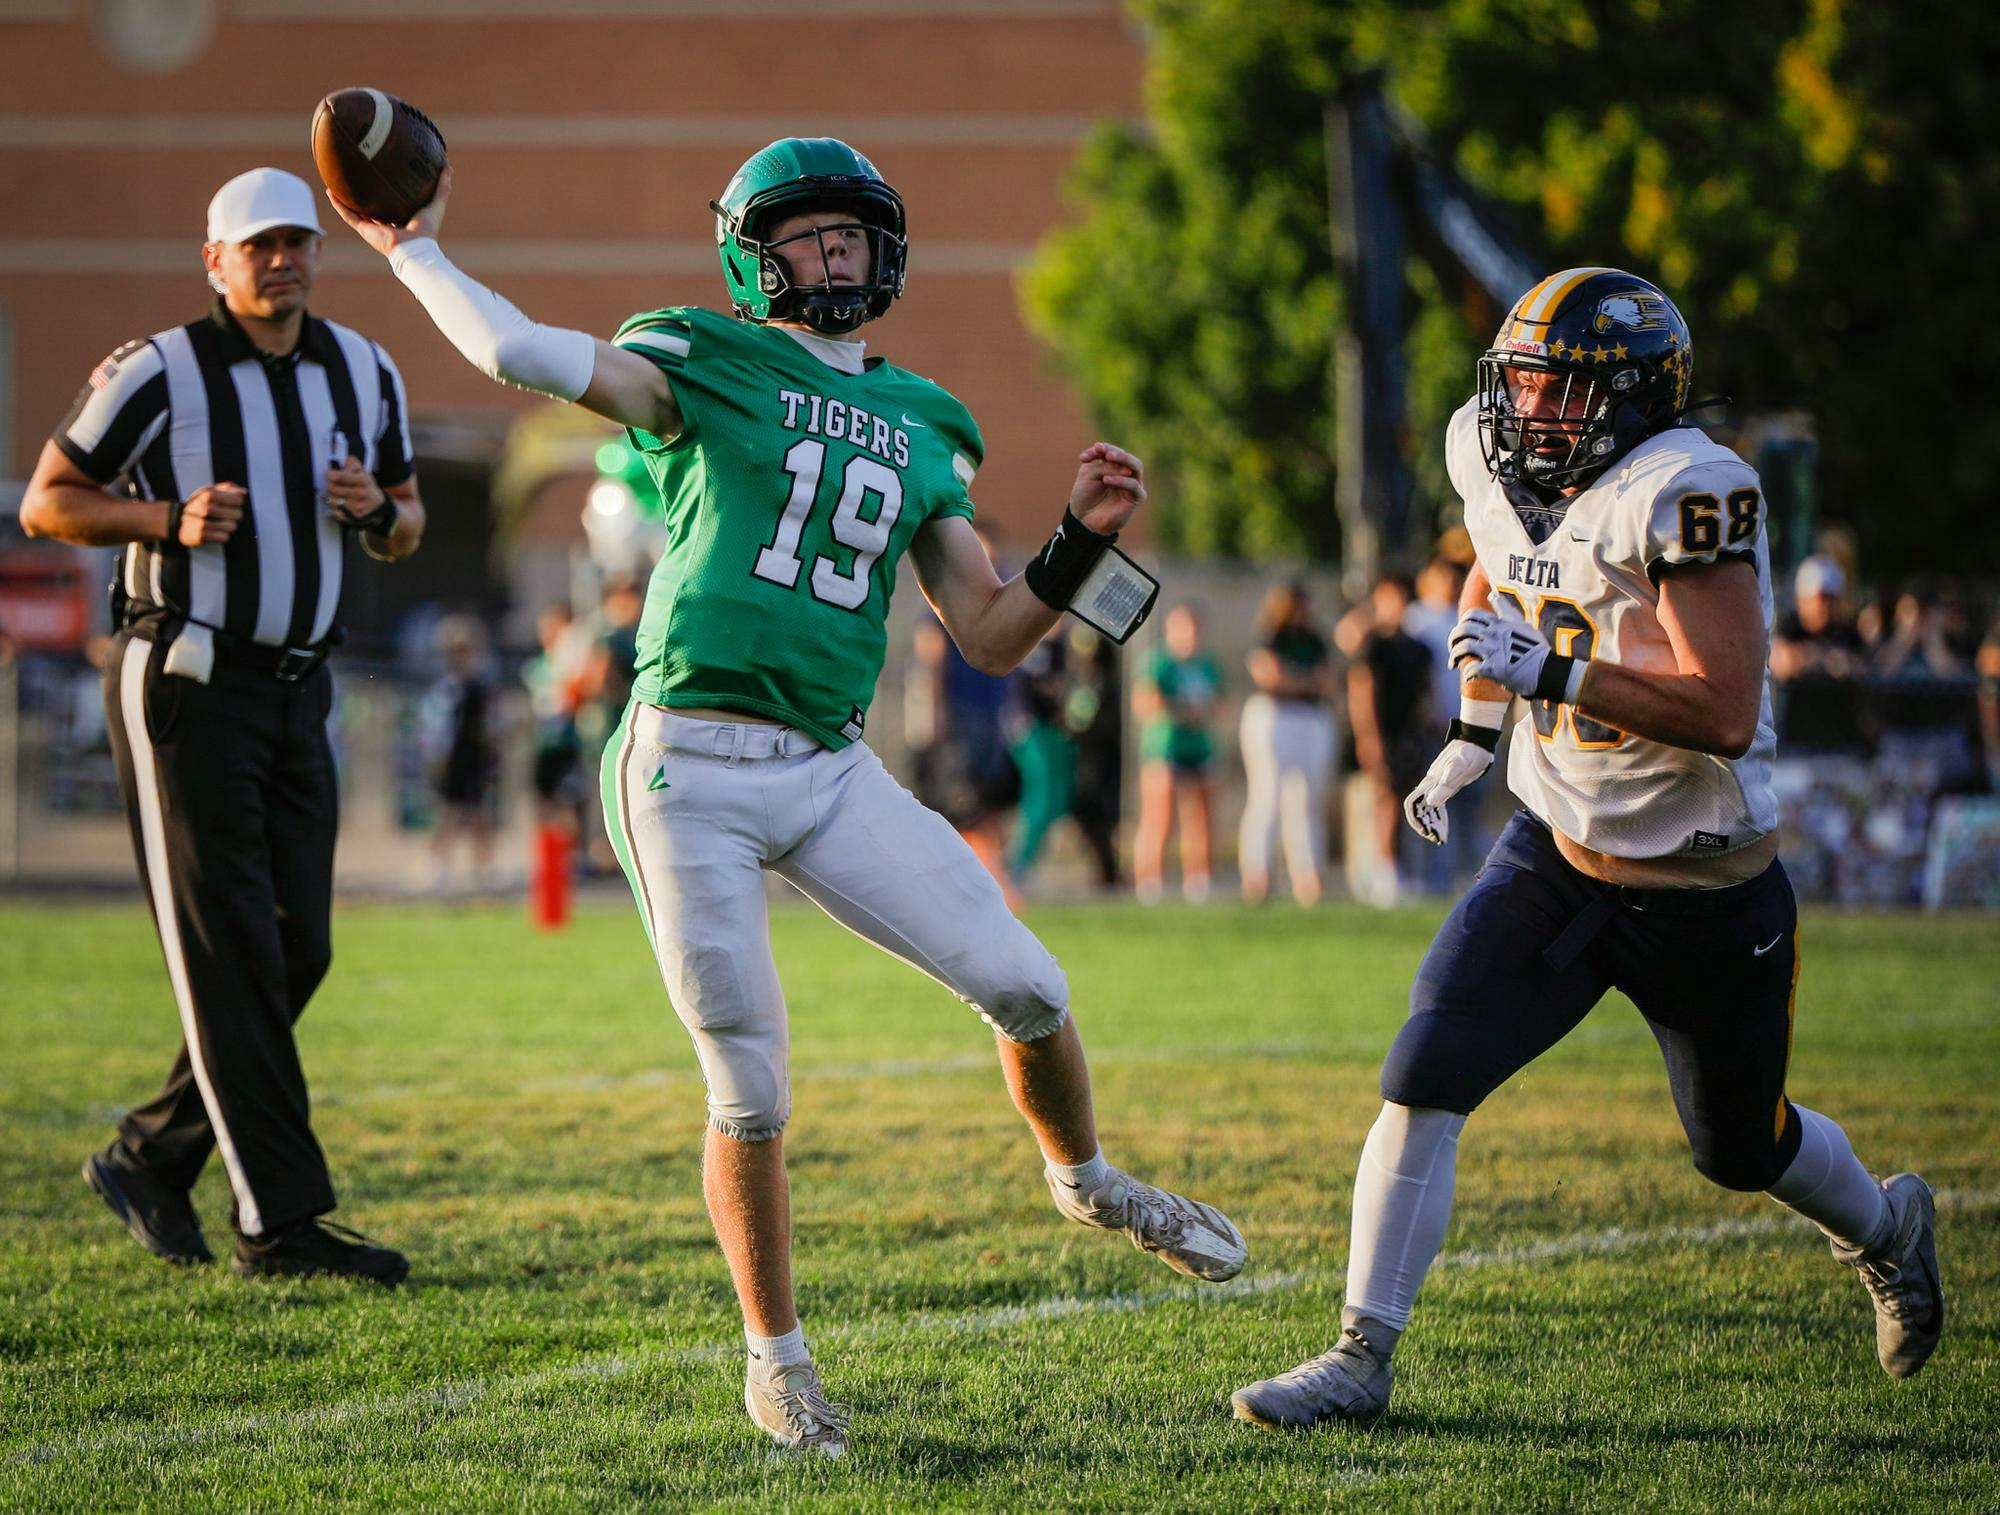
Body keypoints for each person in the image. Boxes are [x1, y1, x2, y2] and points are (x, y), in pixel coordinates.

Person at [335, 137, 1244, 1455]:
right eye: (805, 236)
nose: (834, 254)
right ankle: (779, 1361)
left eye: (849, 234)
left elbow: (988, 630)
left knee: (1032, 984)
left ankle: (1088, 1178)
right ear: (753, 259)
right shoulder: (704, 358)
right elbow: (523, 353)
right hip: (688, 765)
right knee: (751, 1087)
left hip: (827, 762)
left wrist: (1079, 542)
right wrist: (410, 247)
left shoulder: (930, 418)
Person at [1233, 267, 1941, 1430]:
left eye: (1555, 392)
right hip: (1554, 851)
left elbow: (1719, 706)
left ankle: (1884, 1228)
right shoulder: (1492, 454)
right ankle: (1360, 1356)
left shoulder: (1687, 488)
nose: (1524, 414)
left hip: (1703, 883)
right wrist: (1474, 724)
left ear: (1629, 398)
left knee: (1739, 1146)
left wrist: (1549, 671)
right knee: (1423, 1073)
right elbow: (1492, 566)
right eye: (1515, 385)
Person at [20, 167, 425, 1285]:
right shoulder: (158, 370)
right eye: (257, 246)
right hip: (187, 680)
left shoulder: (364, 369)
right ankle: (279, 1225)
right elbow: (47, 499)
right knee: (230, 950)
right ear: (216, 262)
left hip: (302, 689)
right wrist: (165, 516)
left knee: (298, 946)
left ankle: (151, 1157)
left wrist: (378, 512)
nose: (280, 259)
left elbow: (408, 520)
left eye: (295, 241)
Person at [1339, 574, 1435, 907]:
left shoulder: (1419, 649)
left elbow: (1427, 693)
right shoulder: (1373, 647)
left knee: (1406, 798)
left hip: (1409, 735)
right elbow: (1361, 691)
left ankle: (1399, 868)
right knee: (1383, 799)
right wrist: (1369, 738)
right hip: (1383, 732)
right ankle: (1379, 868)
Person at [1237, 581, 1335, 905]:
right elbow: (1270, 676)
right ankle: (1258, 875)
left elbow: (1326, 680)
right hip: (1275, 715)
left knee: (1307, 800)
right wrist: (1301, 682)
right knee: (1268, 797)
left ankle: (1307, 877)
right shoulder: (1271, 638)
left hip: (1309, 717)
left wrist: (1297, 681)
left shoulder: (1314, 641)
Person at [1131, 604, 1223, 902]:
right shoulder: (1159, 663)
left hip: (1199, 747)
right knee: (1160, 817)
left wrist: (1201, 713)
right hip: (1165, 748)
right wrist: (1183, 712)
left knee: (1201, 816)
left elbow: (1220, 703)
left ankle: (1199, 879)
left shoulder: (1208, 664)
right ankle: (1150, 881)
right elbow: (1145, 704)